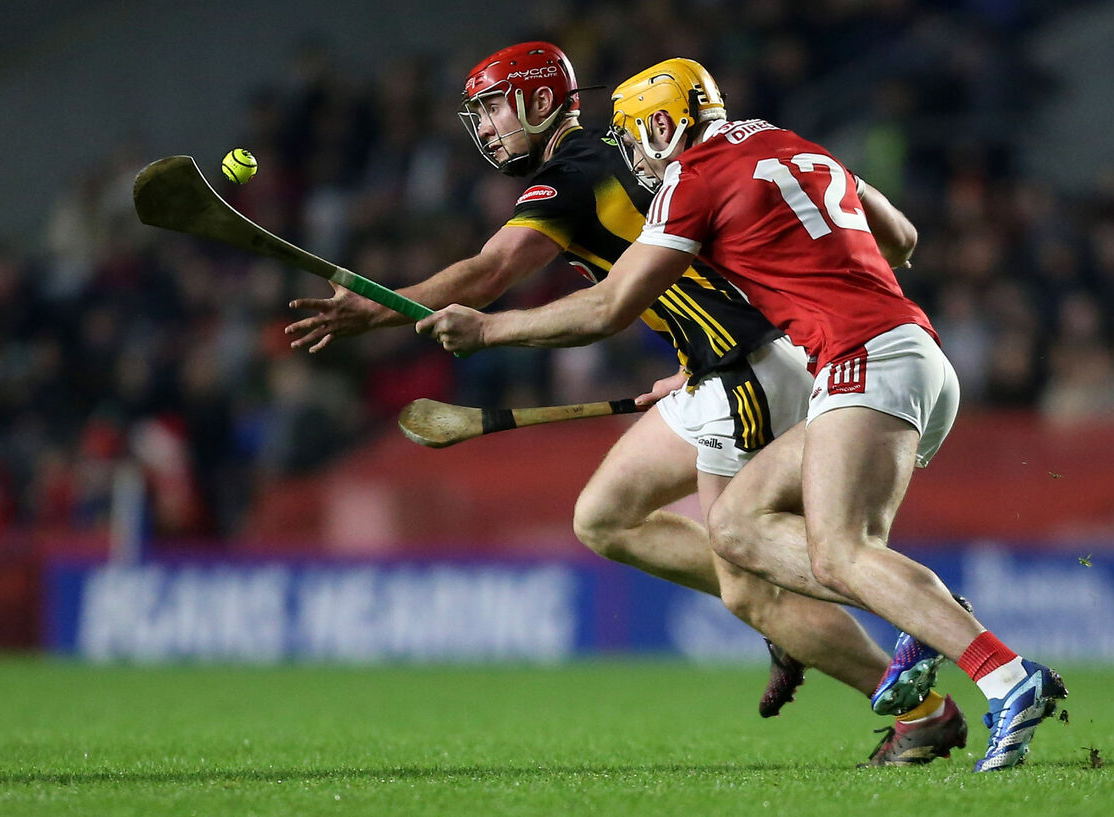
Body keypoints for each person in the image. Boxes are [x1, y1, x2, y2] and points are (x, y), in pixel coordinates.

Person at [288, 42, 966, 765]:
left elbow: (489, 273)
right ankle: (853, 622)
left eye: (491, 108)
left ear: (540, 101)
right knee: (605, 515)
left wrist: (373, 309)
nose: (484, 128)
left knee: (754, 587)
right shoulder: (647, 147)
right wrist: (695, 353)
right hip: (738, 360)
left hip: (754, 365)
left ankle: (919, 690)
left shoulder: (574, 173)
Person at [416, 57, 1067, 772]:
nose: (635, 157)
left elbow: (609, 306)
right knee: (735, 527)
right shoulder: (788, 141)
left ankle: (1004, 674)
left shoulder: (693, 179)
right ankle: (921, 612)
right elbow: (904, 238)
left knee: (843, 553)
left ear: (665, 124)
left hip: (861, 361)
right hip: (908, 352)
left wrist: (487, 329)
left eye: (636, 138)